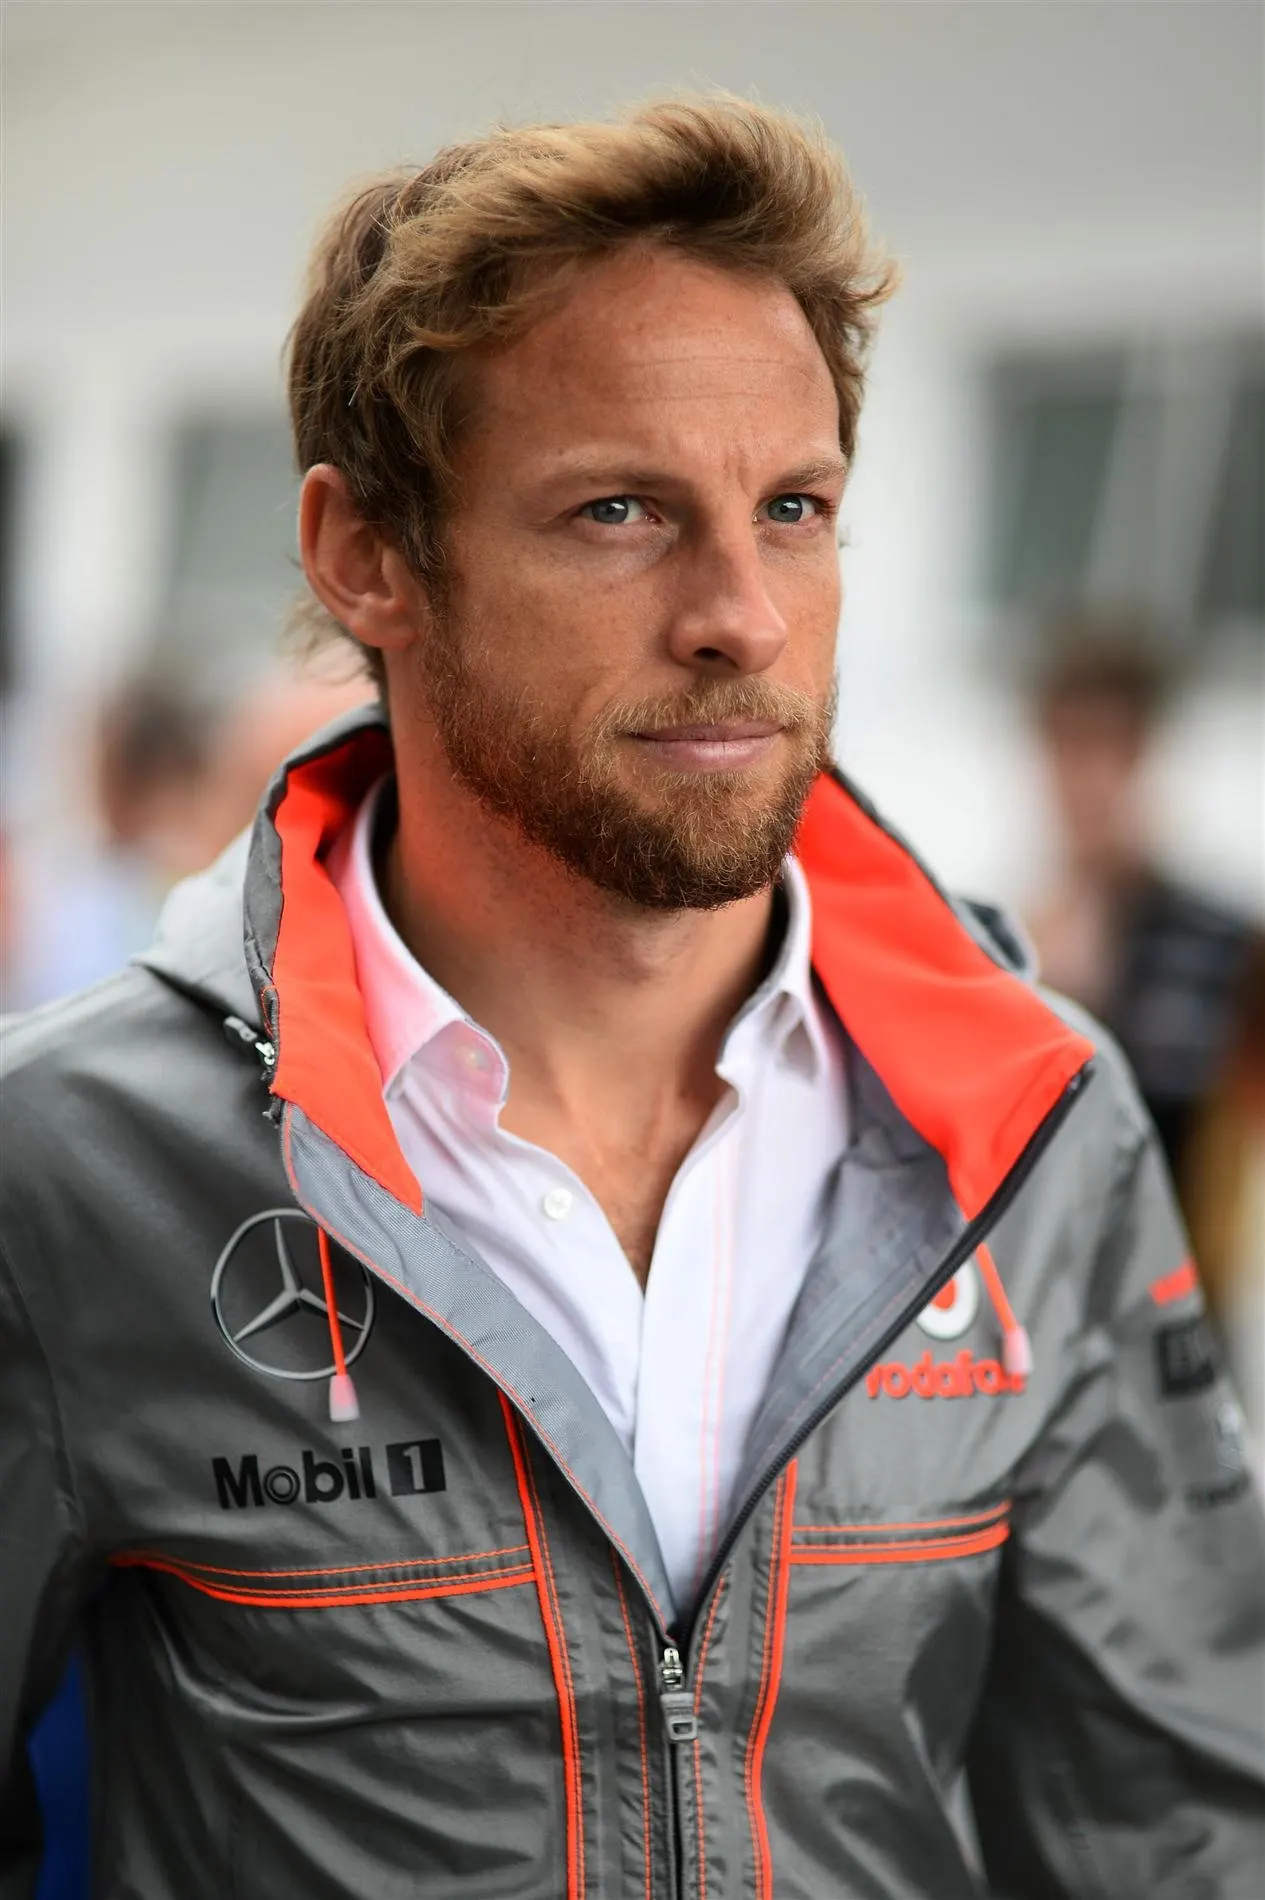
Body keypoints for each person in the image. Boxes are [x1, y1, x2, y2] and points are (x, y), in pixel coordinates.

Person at [2, 98, 1262, 1900]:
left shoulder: (1030, 1123)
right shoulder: (67, 1163)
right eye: (620, 510)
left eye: (794, 510)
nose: (743, 613)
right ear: (365, 554)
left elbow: (1182, 1840)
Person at [1026, 623, 1265, 1332]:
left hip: (1183, 1323)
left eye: (1109, 748)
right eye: (1069, 747)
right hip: (1045, 1325)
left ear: (1143, 756)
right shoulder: (1007, 947)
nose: (1087, 780)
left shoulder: (1225, 947)